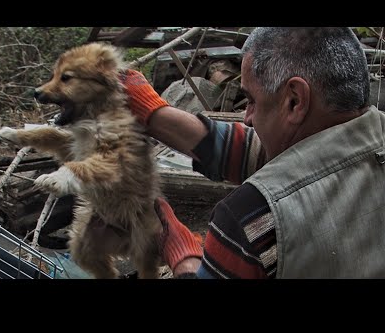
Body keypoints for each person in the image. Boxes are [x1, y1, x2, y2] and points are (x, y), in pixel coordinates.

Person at [122, 27, 382, 278]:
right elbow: (268, 155)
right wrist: (153, 112)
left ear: (295, 100)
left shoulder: (252, 221)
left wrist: (182, 255)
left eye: (252, 100)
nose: (246, 118)